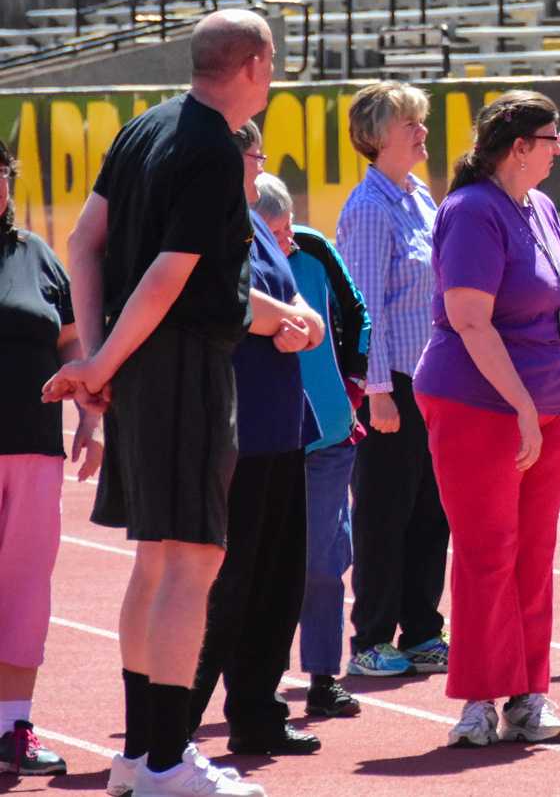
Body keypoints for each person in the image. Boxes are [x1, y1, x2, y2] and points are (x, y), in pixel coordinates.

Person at [43, 9, 276, 796]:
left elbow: (83, 242)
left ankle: (143, 756)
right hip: (180, 368)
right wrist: (102, 359)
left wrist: (102, 359)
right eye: (271, 64)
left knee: (156, 561)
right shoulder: (212, 146)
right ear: (251, 64)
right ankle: (167, 761)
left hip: (145, 368)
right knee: (190, 559)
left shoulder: (145, 127)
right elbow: (168, 275)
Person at [418, 91, 560, 748]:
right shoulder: (470, 211)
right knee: (488, 553)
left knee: (534, 555)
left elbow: (556, 312)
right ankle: (478, 701)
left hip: (548, 406)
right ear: (519, 147)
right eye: (552, 138)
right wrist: (521, 405)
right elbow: (468, 318)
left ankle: (529, 697)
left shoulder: (540, 206)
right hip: (479, 405)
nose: (559, 148)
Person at [188, 123, 327, 757]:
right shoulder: (207, 220)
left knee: (278, 578)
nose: (260, 162)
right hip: (234, 431)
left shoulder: (255, 223)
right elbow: (234, 302)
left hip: (281, 430)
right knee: (227, 581)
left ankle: (256, 711)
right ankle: (177, 719)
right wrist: (288, 321)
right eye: (253, 153)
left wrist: (305, 325)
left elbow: (299, 301)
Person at [335, 80, 450, 679]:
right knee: (384, 511)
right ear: (378, 136)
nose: (422, 132)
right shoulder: (368, 210)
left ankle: (423, 628)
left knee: (434, 510)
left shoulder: (421, 198)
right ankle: (373, 637)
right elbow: (361, 310)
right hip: (393, 386)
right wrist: (375, 391)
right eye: (411, 123)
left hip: (434, 383)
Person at [252, 173, 372, 716]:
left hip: (327, 435)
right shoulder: (233, 268)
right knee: (265, 564)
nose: (290, 241)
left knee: (325, 561)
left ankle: (324, 677)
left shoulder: (316, 250)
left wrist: (353, 385)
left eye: (289, 226)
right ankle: (262, 681)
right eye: (276, 232)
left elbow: (359, 317)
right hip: (263, 440)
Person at [0, 138, 100, 778]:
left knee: (25, 593)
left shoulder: (35, 254)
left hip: (35, 451)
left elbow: (70, 343)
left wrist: (90, 414)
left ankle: (12, 727)